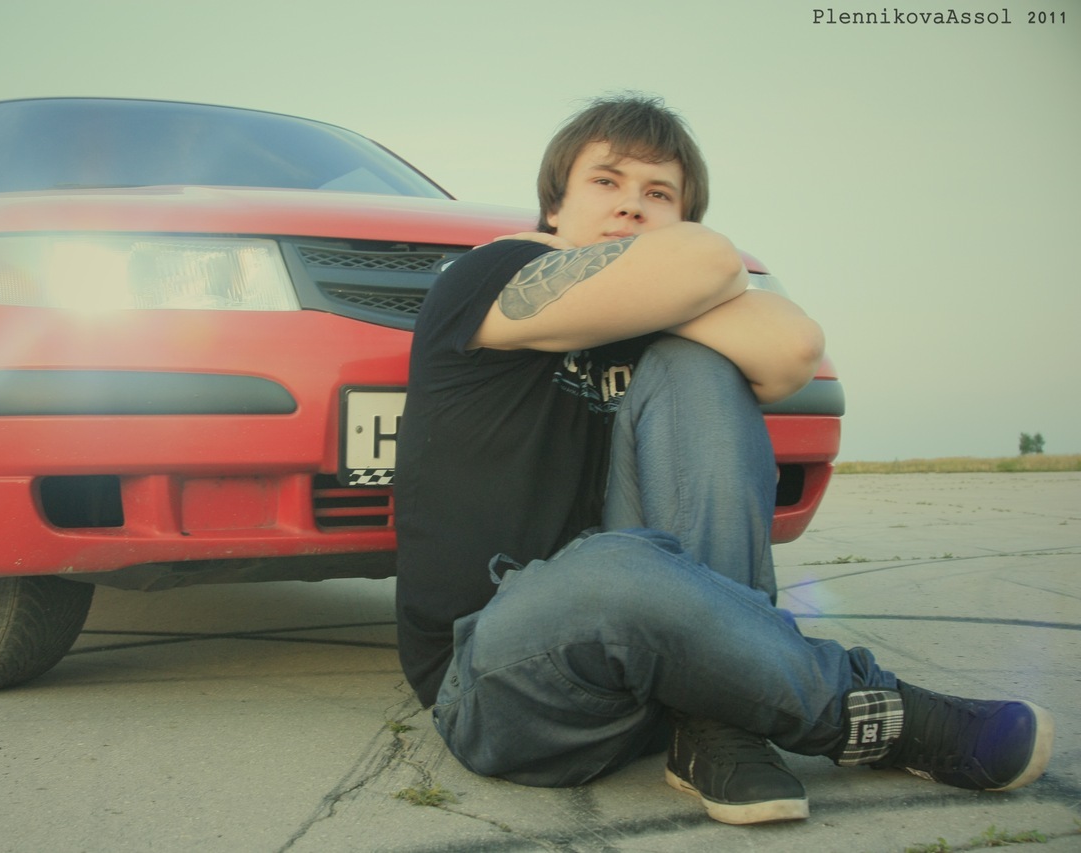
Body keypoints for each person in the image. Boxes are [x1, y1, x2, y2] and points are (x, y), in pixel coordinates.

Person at [392, 94, 1053, 826]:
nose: (631, 205)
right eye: (606, 181)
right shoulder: (490, 277)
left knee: (699, 369)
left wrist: (673, 289)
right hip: (503, 682)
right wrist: (676, 268)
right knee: (614, 570)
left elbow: (794, 347)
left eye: (658, 193)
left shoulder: (667, 330)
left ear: (683, 215)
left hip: (656, 677)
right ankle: (886, 716)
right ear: (553, 204)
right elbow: (706, 259)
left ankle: (712, 722)